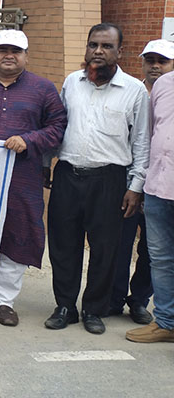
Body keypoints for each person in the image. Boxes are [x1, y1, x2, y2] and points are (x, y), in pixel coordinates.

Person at [45, 23, 149, 335]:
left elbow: (141, 142)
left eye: (106, 46)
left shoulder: (134, 90)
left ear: (120, 51)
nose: (98, 52)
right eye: (93, 45)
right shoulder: (72, 83)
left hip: (110, 180)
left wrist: (135, 187)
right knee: (63, 245)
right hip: (68, 174)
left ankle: (94, 309)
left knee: (105, 248)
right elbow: (58, 125)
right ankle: (65, 306)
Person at [0, 30, 67, 326]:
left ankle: (5, 301)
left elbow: (58, 126)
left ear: (26, 56)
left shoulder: (43, 89)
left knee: (18, 233)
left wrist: (29, 139)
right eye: (3, 49)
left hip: (23, 176)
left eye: (16, 51)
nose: (9, 55)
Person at [110, 40, 174, 325]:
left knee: (152, 252)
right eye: (150, 60)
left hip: (162, 184)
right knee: (119, 243)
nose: (155, 66)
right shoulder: (129, 92)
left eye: (163, 61)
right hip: (128, 181)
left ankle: (139, 301)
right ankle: (113, 298)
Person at [126, 69, 174, 343]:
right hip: (158, 187)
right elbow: (151, 134)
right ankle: (166, 323)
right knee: (162, 259)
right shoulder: (164, 84)